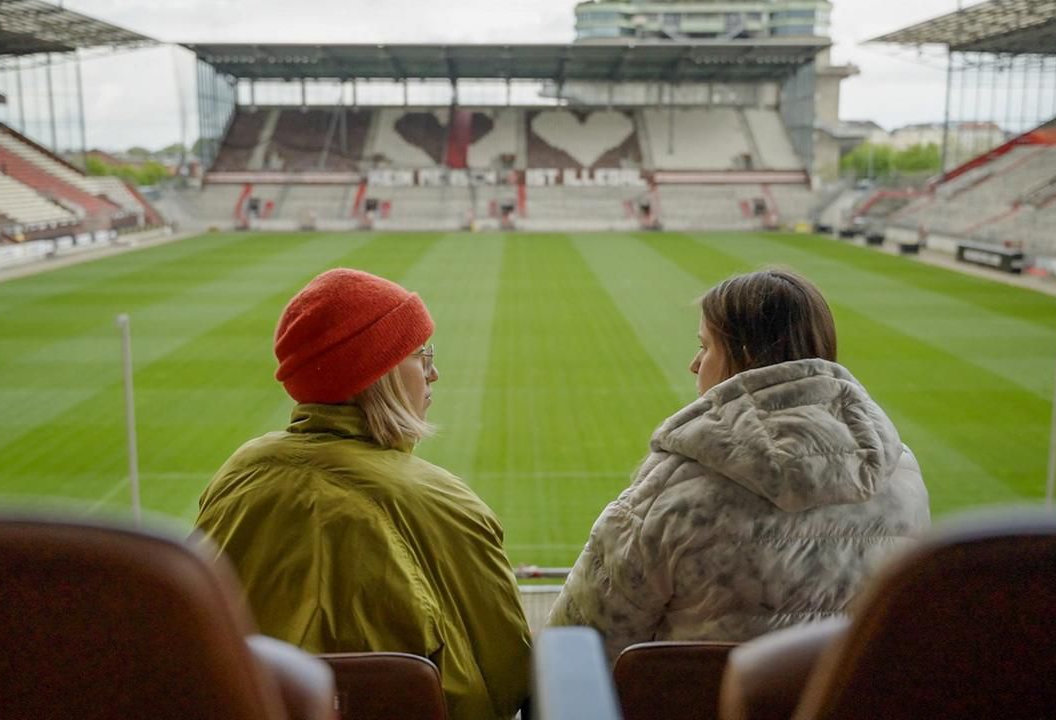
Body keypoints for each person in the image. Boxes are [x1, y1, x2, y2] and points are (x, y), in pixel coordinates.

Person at [195, 268, 530, 720]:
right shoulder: (445, 504)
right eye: (421, 356)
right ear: (382, 374)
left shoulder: (238, 474)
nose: (434, 374)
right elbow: (508, 681)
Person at [548, 269, 930, 660]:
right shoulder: (904, 475)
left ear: (744, 354)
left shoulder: (671, 494)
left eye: (706, 346)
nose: (695, 365)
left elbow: (577, 643)